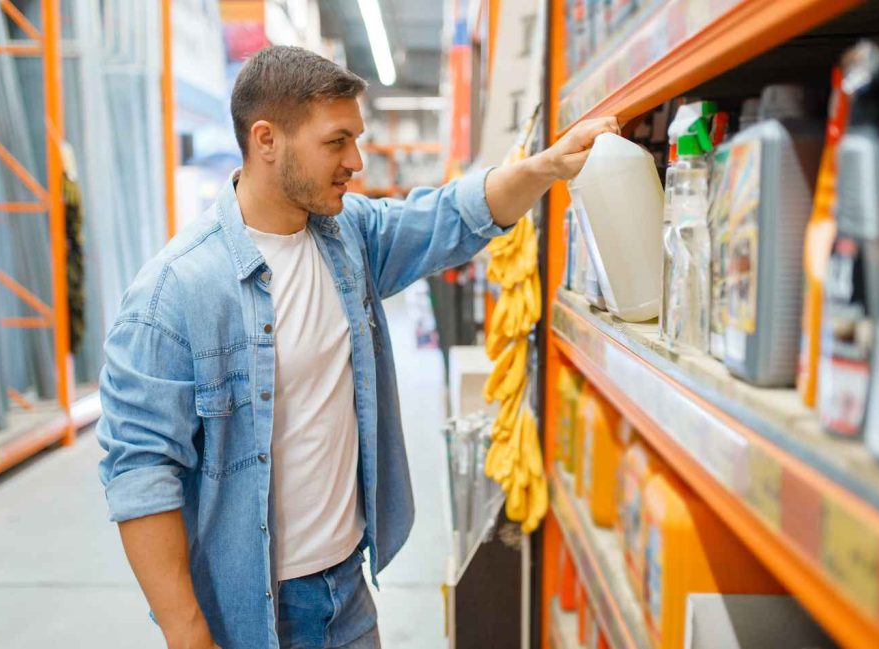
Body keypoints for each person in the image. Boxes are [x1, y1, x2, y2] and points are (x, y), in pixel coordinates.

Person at [97, 45, 617, 649]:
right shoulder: (175, 293)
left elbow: (448, 217)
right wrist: (188, 634)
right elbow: (141, 471)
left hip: (346, 593)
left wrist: (544, 168)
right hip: (251, 612)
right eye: (336, 141)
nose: (356, 160)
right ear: (267, 140)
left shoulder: (347, 238)